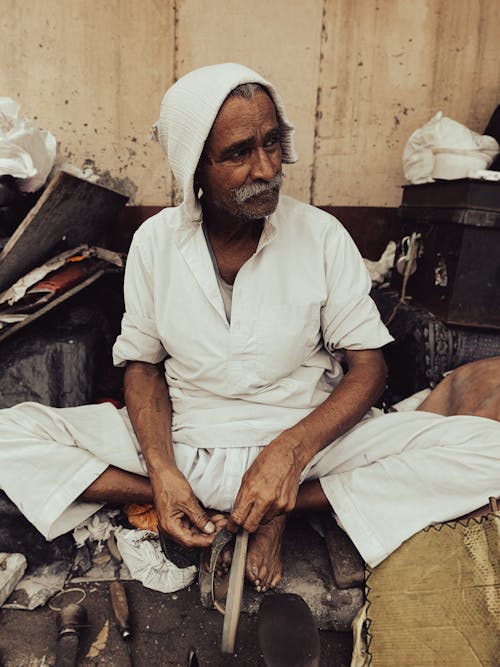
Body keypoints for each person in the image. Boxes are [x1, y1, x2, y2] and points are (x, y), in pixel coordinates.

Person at [1, 63, 499, 594]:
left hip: (310, 445)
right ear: (195, 167)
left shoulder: (322, 236)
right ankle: (194, 500)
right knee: (8, 433)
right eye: (239, 152)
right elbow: (143, 366)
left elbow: (370, 368)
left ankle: (279, 507)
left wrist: (289, 454)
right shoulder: (154, 244)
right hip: (193, 441)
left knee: (488, 450)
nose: (265, 167)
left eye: (270, 143)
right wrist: (164, 473)